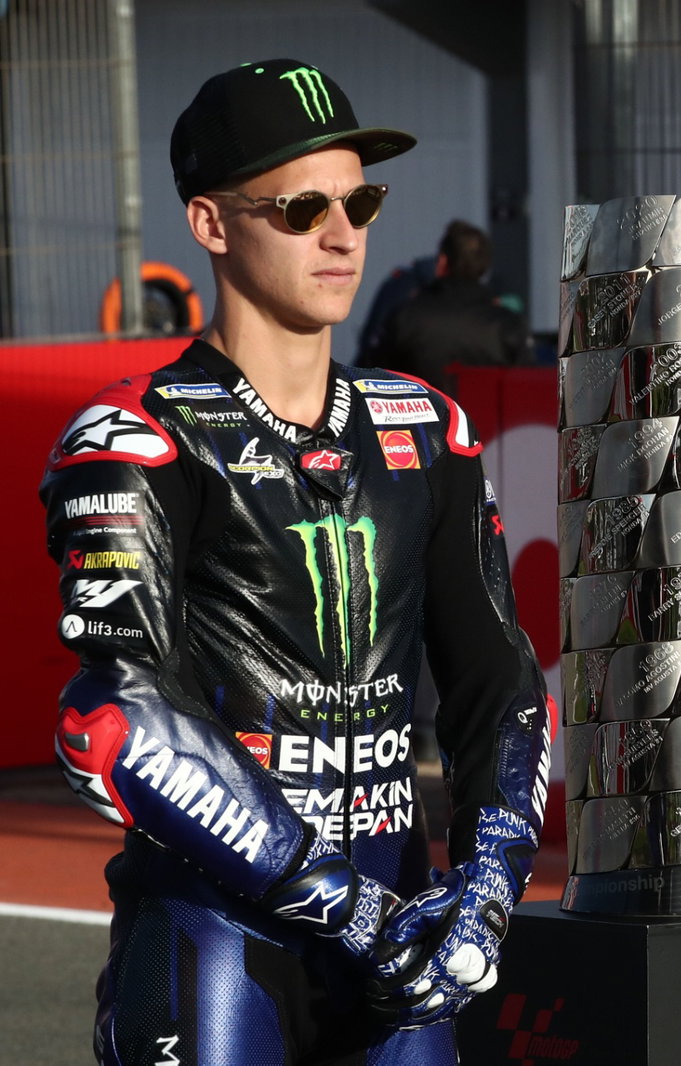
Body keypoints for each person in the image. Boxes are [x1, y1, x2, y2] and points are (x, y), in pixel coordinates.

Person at [40, 58, 552, 1065]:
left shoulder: (426, 429)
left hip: (402, 951)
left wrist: (486, 895)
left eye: (358, 198)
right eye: (300, 206)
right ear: (211, 223)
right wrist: (344, 905)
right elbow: (116, 721)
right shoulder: (134, 439)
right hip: (217, 937)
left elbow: (503, 685)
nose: (342, 232)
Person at [367, 219, 533, 394]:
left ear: (442, 262)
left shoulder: (404, 316)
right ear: (484, 267)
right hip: (485, 421)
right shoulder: (508, 325)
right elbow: (526, 390)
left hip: (420, 420)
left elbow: (373, 379)